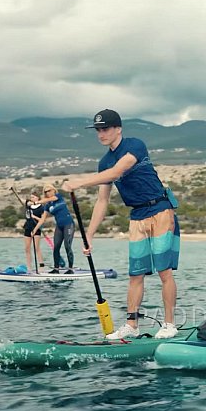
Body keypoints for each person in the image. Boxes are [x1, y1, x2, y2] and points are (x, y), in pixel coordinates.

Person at [62, 109, 180, 340]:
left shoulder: (135, 145)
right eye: (98, 130)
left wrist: (79, 182)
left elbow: (118, 171)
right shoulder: (103, 162)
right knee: (135, 275)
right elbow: (102, 200)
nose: (101, 134)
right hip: (137, 216)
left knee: (164, 272)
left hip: (160, 210)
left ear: (118, 129)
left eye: (105, 129)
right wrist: (90, 236)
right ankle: (131, 325)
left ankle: (169, 324)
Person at [32, 183, 75, 274]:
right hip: (59, 227)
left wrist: (38, 202)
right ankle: (56, 269)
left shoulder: (58, 196)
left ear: (54, 190)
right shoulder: (47, 205)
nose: (47, 193)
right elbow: (42, 219)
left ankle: (70, 269)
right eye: (45, 192)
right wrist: (35, 229)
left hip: (68, 224)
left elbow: (51, 198)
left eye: (49, 190)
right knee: (56, 247)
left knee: (67, 246)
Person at [23, 190, 45, 272]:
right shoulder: (28, 206)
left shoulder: (41, 207)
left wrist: (34, 216)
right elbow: (22, 200)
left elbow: (42, 220)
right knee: (27, 248)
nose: (31, 198)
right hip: (28, 227)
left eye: (33, 197)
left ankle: (41, 266)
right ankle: (29, 267)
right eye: (31, 197)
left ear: (38, 198)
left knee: (37, 248)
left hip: (36, 228)